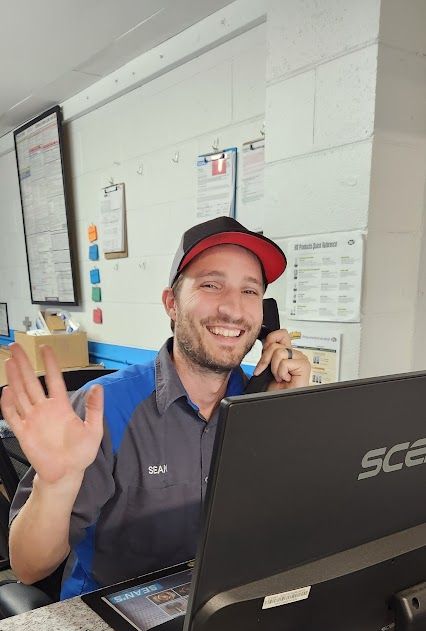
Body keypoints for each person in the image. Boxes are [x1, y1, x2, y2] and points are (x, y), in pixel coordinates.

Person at [3, 216, 311, 599]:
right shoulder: (102, 409)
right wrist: (58, 483)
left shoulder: (260, 402)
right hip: (114, 617)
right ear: (172, 304)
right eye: (211, 285)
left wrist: (289, 413)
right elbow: (29, 567)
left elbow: (288, 530)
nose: (233, 309)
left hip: (219, 606)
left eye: (250, 291)